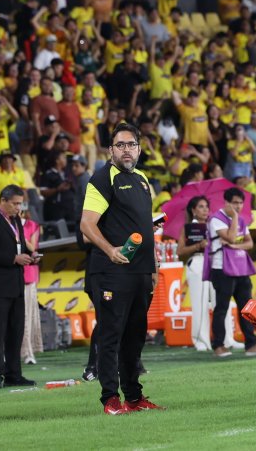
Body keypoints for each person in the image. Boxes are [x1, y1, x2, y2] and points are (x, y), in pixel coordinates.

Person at [79, 122, 162, 414]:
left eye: (131, 144)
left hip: (139, 272)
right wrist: (110, 249)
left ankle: (135, 398)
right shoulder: (102, 179)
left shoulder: (141, 179)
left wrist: (152, 266)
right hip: (111, 270)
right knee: (111, 335)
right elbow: (86, 224)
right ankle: (110, 400)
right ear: (111, 150)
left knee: (135, 337)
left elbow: (142, 225)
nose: (127, 150)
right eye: (121, 145)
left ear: (139, 149)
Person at [0, 185, 37, 389]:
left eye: (21, 204)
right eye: (15, 203)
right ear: (3, 200)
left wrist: (30, 257)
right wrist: (13, 258)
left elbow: (19, 245)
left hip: (17, 283)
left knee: (16, 331)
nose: (18, 208)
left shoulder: (15, 221)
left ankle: (14, 373)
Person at [206, 188, 256, 358]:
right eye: (235, 203)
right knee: (221, 308)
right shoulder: (216, 219)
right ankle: (218, 345)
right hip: (222, 268)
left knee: (246, 307)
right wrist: (234, 219)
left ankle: (251, 344)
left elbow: (248, 244)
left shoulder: (239, 219)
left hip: (240, 267)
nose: (238, 206)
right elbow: (232, 237)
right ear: (226, 203)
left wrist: (235, 246)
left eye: (241, 203)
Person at [177, 197, 219, 352]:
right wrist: (198, 245)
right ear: (193, 210)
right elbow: (180, 251)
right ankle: (201, 340)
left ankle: (226, 338)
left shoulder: (214, 224)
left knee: (220, 301)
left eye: (207, 206)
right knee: (200, 303)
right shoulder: (188, 228)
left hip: (216, 262)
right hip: (197, 262)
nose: (205, 209)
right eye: (201, 207)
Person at [20, 214, 43, 365]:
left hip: (27, 275)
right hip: (9, 276)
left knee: (27, 315)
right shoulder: (3, 225)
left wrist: (18, 233)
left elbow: (33, 249)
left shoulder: (31, 226)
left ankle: (28, 352)